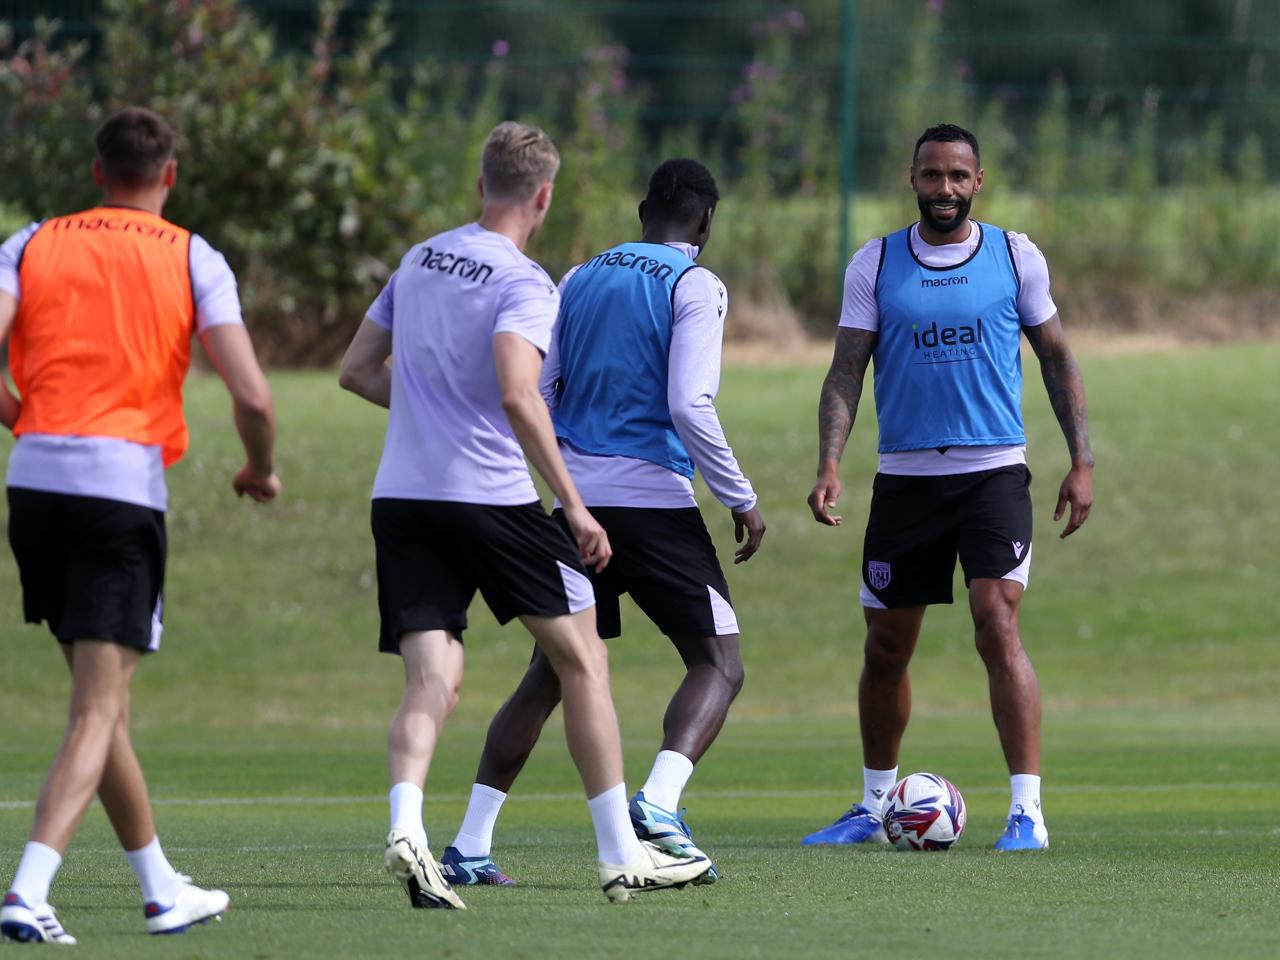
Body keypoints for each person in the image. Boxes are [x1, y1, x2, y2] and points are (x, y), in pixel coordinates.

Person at [337, 122, 712, 909]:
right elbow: (517, 394)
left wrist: (427, 417)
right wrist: (573, 504)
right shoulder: (525, 282)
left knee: (432, 678)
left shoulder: (419, 259)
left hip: (401, 497)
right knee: (583, 661)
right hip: (491, 499)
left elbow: (356, 370)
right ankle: (620, 854)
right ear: (543, 196)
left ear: (482, 185)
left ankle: (408, 822)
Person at [437, 158, 766, 888]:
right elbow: (689, 404)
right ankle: (659, 805)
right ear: (706, 222)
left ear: (642, 208)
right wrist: (739, 496)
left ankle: (469, 844)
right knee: (719, 663)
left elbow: (543, 390)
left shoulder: (579, 277)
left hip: (575, 506)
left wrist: (568, 488)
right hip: (653, 505)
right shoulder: (696, 285)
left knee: (553, 672)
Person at [0, 106, 280, 944]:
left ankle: (161, 888)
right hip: (119, 488)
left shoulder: (30, 242)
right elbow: (254, 394)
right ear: (169, 175)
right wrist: (259, 468)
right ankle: (27, 888)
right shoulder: (195, 257)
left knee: (102, 701)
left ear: (95, 173)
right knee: (96, 708)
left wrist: (21, 418)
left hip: (37, 484)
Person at [801, 123, 1093, 852]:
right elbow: (845, 371)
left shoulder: (1013, 255)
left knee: (997, 622)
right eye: (933, 176)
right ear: (913, 180)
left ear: (978, 182)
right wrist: (829, 462)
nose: (945, 190)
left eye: (958, 177)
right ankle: (873, 807)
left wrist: (1081, 459)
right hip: (905, 480)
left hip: (993, 471)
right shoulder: (876, 262)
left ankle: (1027, 814)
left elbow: (1058, 360)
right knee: (886, 649)